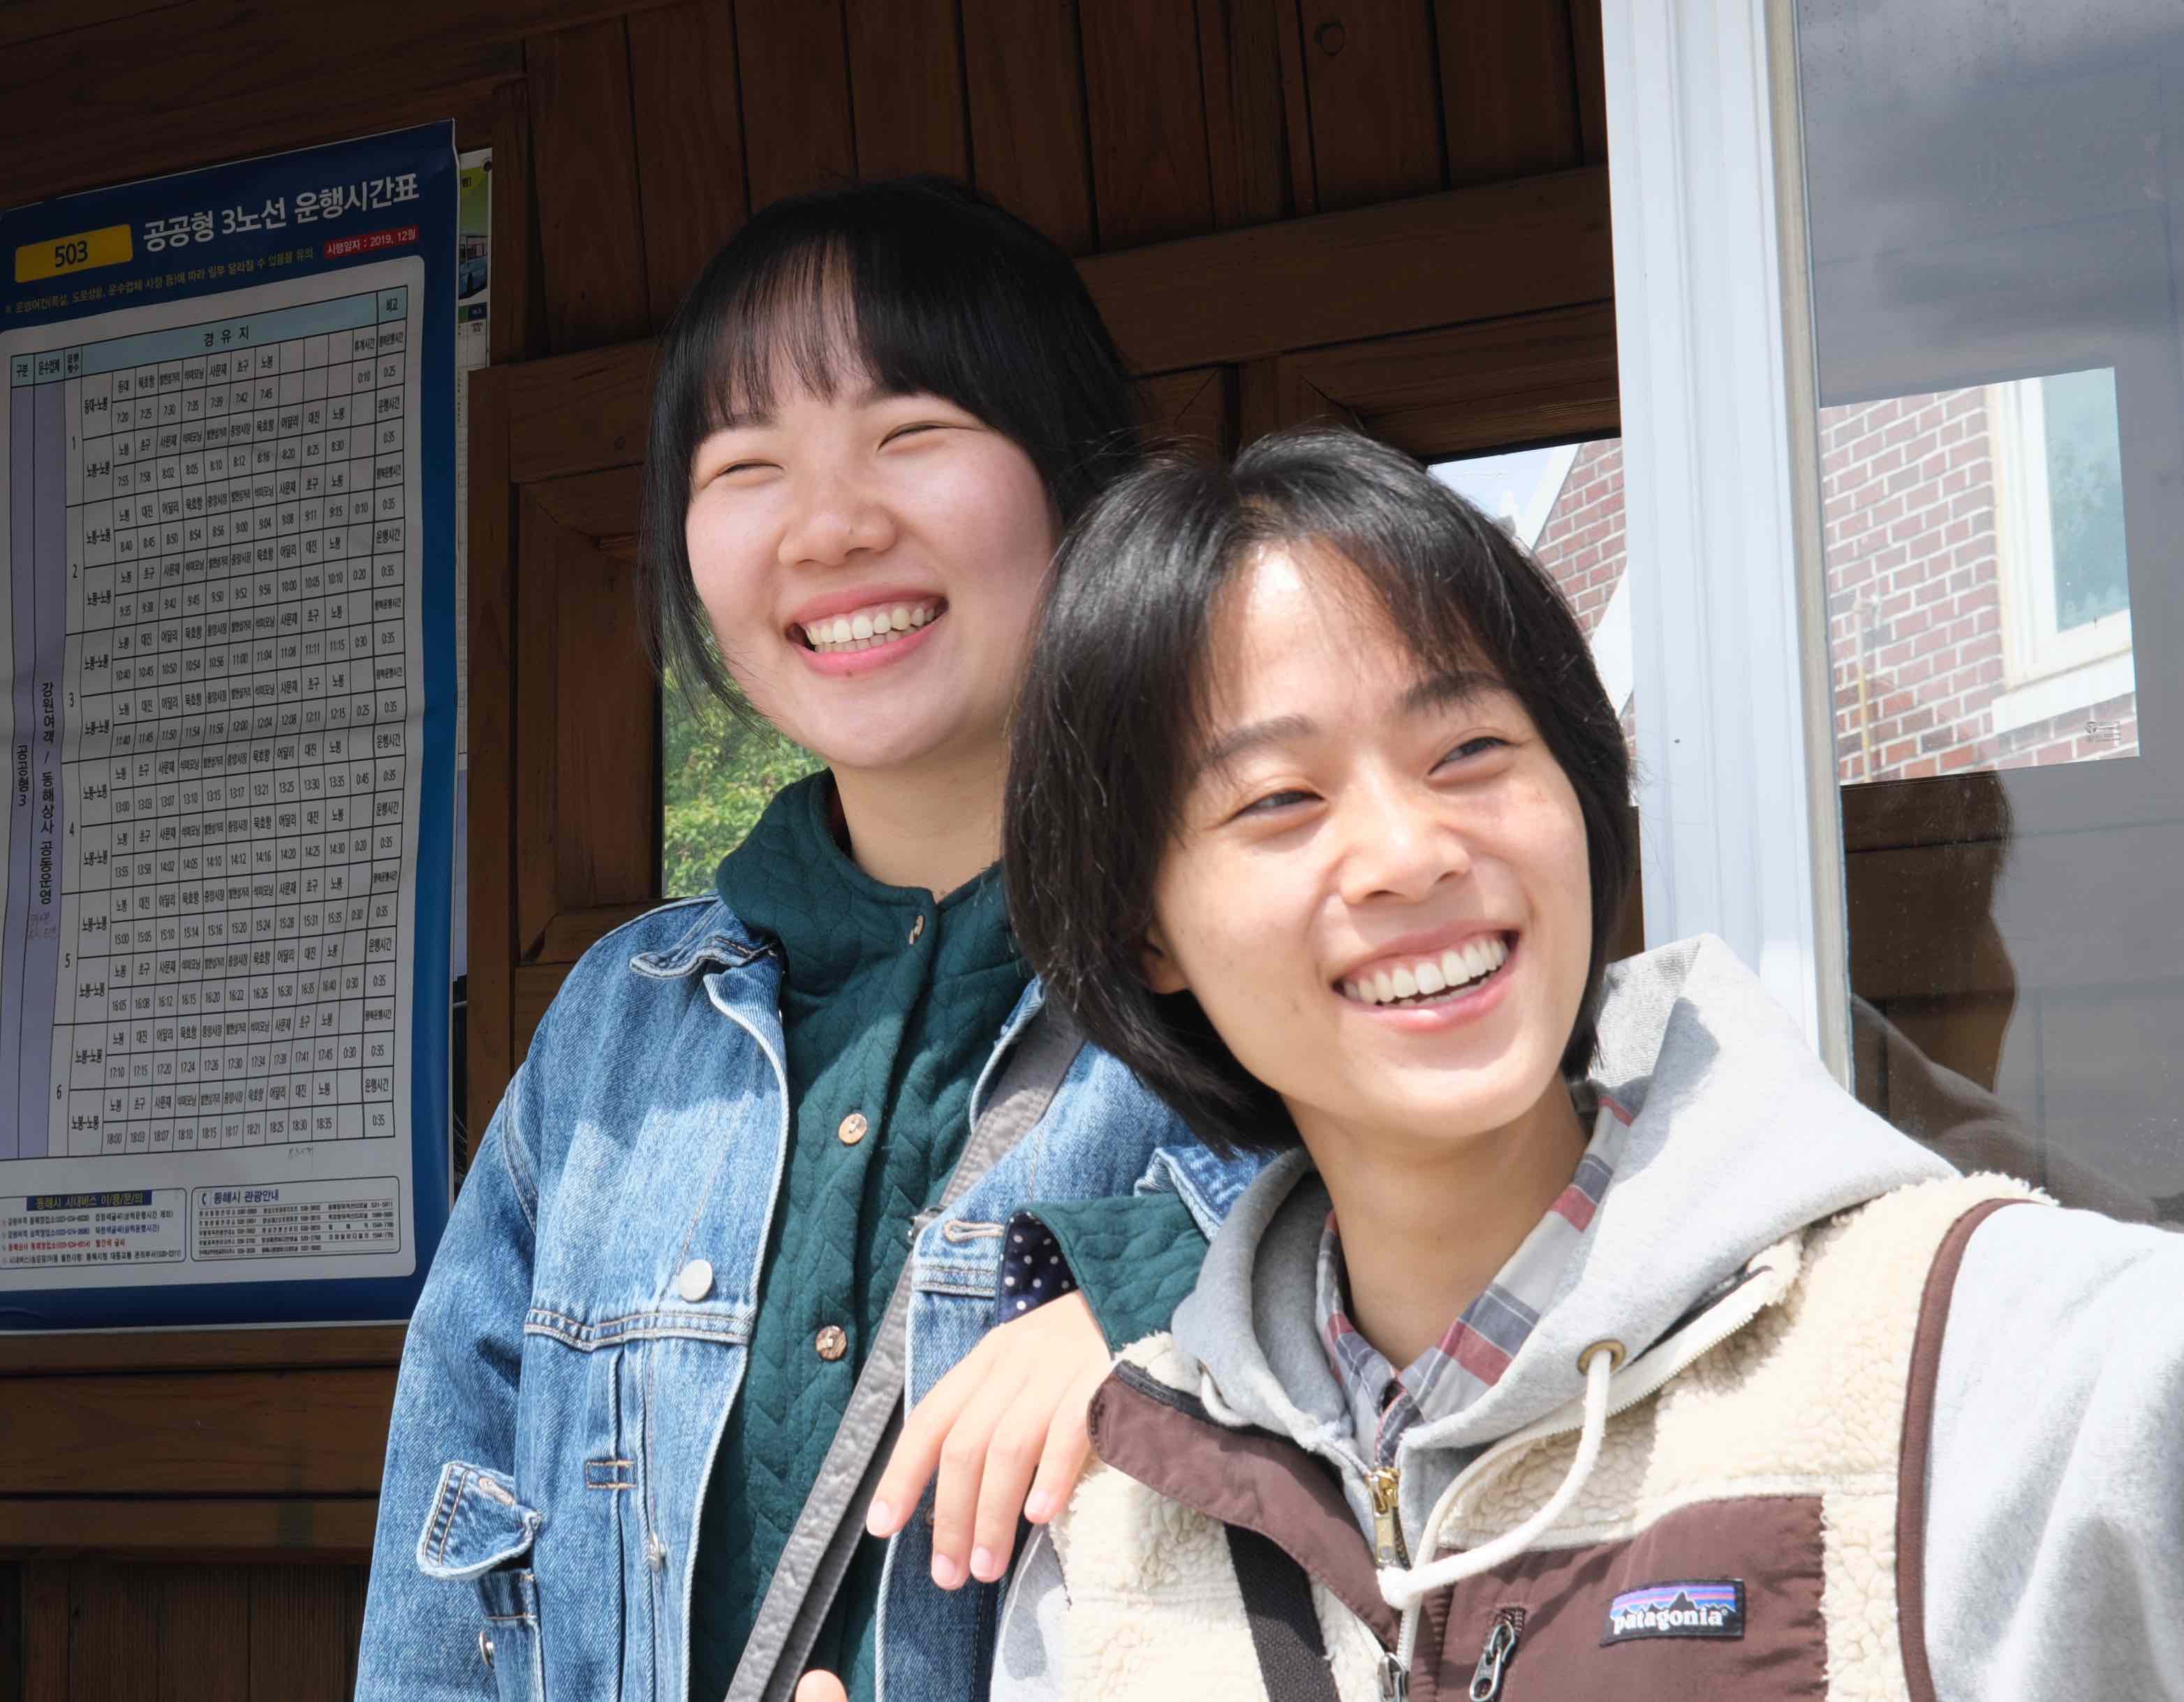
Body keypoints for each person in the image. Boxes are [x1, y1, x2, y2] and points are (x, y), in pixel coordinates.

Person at [979, 427, 2184, 1700]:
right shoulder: (1121, 1515)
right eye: (1280, 800)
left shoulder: (1996, 1356)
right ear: (1145, 928)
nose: (1408, 851)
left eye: (1470, 751)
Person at [354, 177, 1257, 1702]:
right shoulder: (611, 1035)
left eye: (910, 434)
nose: (831, 526)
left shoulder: (1251, 956)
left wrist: (1160, 1303)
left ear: (1080, 484)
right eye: (747, 463)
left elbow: (1446, 1291)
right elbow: (440, 1616)